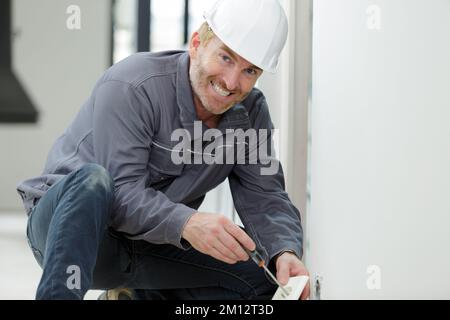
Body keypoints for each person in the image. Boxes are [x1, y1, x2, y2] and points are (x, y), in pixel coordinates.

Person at [17, 0, 310, 300]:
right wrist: (187, 222)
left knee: (265, 281)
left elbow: (266, 195)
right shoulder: (133, 85)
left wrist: (283, 250)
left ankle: (131, 297)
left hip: (152, 244)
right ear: (197, 44)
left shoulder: (251, 114)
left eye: (250, 70)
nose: (232, 81)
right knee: (93, 181)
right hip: (73, 234)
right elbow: (122, 192)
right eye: (225, 57)